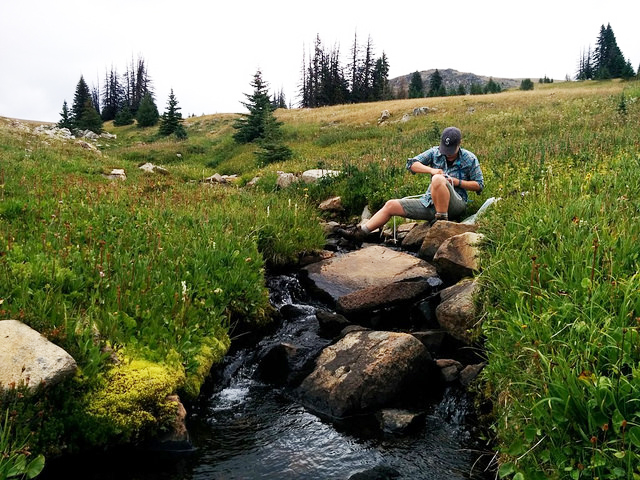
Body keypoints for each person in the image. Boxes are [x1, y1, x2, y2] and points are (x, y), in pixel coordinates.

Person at [338, 126, 484, 242]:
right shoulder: (435, 152)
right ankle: (359, 234)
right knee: (391, 205)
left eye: (451, 151)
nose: (447, 154)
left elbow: (479, 185)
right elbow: (411, 164)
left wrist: (455, 181)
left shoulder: (470, 159)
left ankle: (441, 223)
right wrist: (431, 170)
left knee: (439, 180)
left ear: (460, 143)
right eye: (445, 150)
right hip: (429, 204)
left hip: (456, 204)